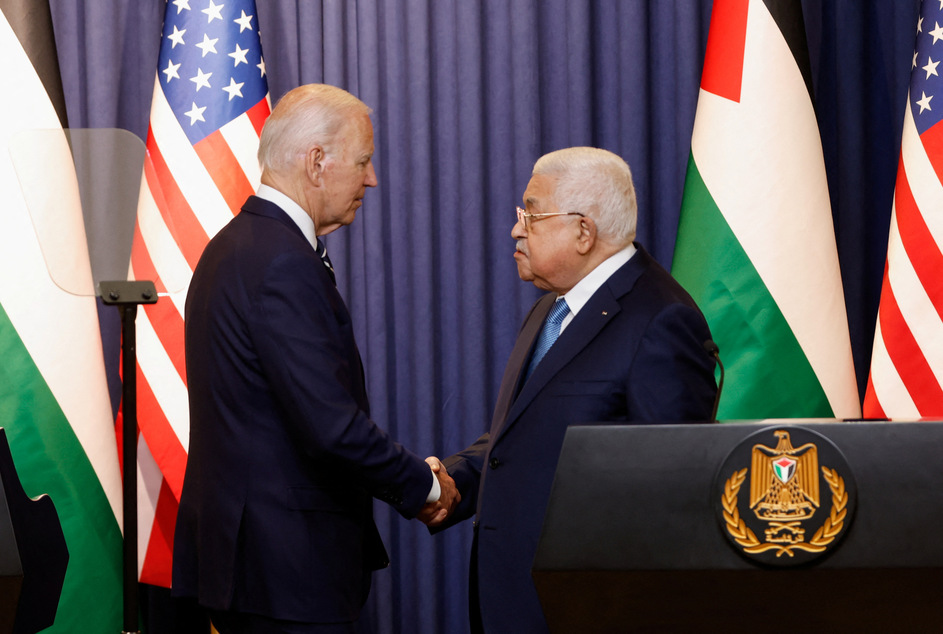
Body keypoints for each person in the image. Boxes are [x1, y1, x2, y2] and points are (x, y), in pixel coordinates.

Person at [172, 84, 459, 633]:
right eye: (364, 161)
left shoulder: (233, 247)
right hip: (285, 572)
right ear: (317, 161)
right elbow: (329, 426)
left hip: (253, 567)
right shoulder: (280, 261)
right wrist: (423, 486)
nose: (371, 179)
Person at [433, 147, 717, 632]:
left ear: (584, 231)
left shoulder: (663, 319)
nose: (516, 229)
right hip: (514, 599)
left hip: (586, 609)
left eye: (532, 214)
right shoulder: (552, 307)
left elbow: (672, 495)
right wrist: (454, 479)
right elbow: (524, 437)